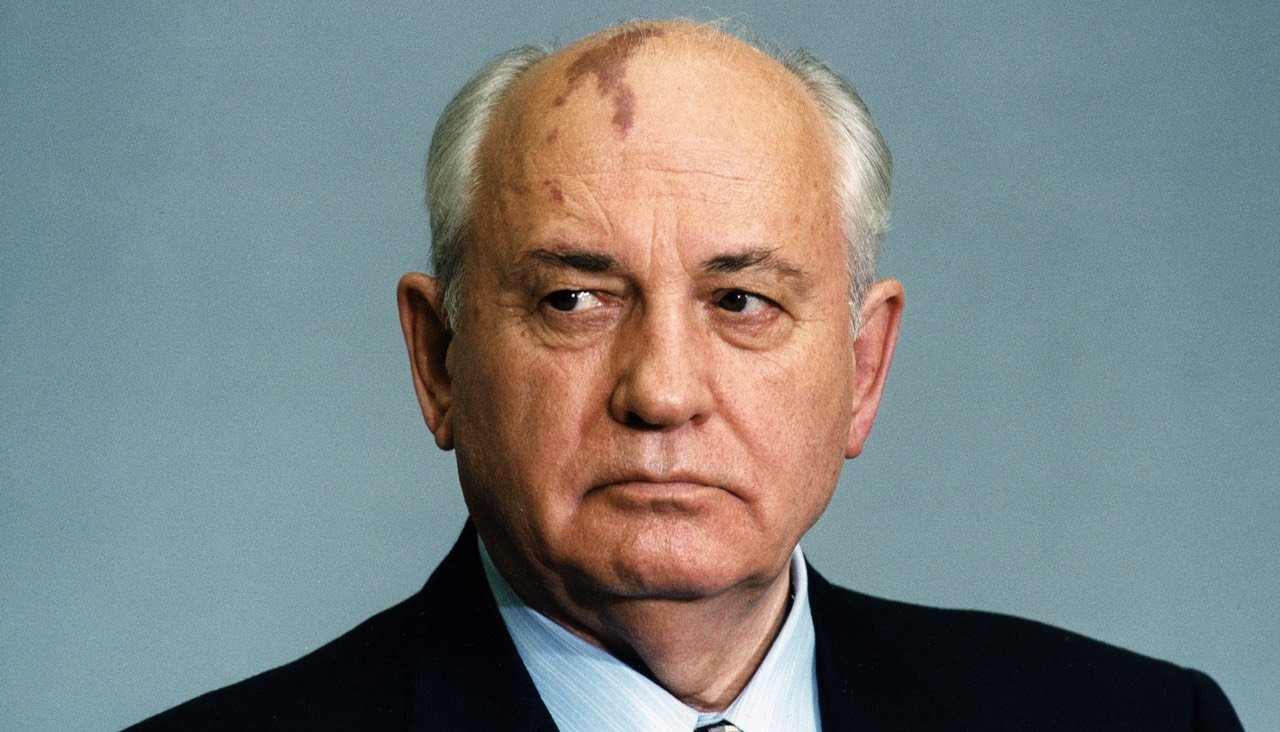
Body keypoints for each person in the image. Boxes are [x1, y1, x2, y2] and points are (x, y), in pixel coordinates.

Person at [128, 19, 1242, 731]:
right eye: (573, 300)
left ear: (862, 369)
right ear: (439, 363)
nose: (660, 393)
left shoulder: (1143, 723)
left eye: (741, 302)